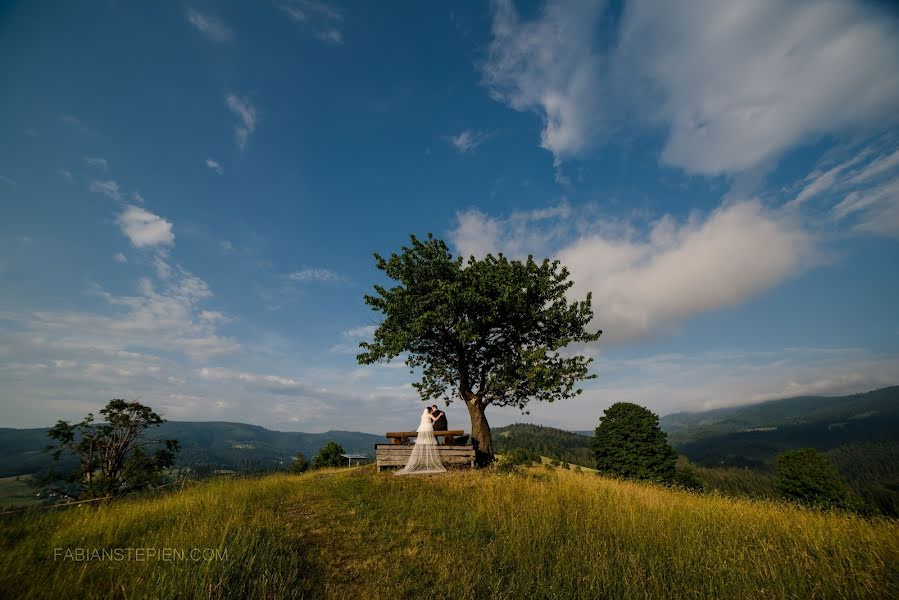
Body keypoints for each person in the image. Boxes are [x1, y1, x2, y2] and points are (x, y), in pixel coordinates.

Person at [395, 407, 446, 475]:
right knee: (430, 440)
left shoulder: (422, 415)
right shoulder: (429, 415)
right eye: (431, 411)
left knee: (422, 440)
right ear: (430, 411)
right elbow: (435, 419)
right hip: (428, 427)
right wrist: (440, 414)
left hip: (422, 428)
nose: (431, 412)